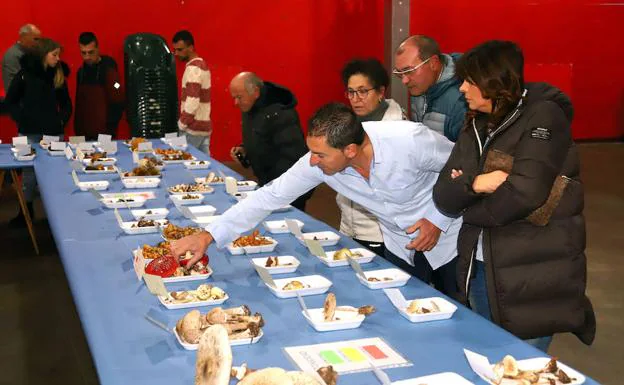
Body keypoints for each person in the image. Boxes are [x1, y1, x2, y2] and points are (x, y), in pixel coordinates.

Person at [172, 103, 462, 300]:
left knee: (464, 311)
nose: (312, 161)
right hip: (401, 244)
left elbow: (463, 168)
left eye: (320, 154)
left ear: (350, 150)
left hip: (451, 240)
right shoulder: (320, 162)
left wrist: (438, 219)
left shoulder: (409, 140)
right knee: (414, 309)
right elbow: (270, 195)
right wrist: (209, 235)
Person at [432, 40, 595, 352]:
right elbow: (444, 194)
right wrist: (478, 184)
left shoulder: (543, 117)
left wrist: (470, 205)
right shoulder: (476, 124)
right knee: (486, 356)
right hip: (480, 266)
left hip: (532, 273)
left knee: (519, 366)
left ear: (494, 82)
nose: (463, 89)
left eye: (469, 81)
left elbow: (526, 193)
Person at [338, 58, 405, 256]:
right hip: (348, 225)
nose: (356, 98)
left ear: (381, 92)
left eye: (363, 91)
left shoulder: (397, 129)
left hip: (381, 233)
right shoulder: (346, 124)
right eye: (351, 92)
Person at [5, 38, 72, 226]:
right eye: (54, 54)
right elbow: (11, 101)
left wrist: (60, 120)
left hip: (53, 132)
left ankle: (57, 213)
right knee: (27, 173)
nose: (58, 59)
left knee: (56, 171)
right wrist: (22, 118)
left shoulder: (57, 75)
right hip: (27, 133)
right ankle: (25, 211)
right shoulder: (24, 75)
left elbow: (66, 104)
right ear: (43, 55)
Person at [228, 72, 313, 211]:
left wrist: (275, 192)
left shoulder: (280, 113)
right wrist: (245, 150)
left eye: (239, 97)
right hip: (269, 186)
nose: (235, 103)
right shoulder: (250, 107)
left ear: (255, 92)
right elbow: (262, 139)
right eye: (234, 97)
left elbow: (292, 156)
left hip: (286, 190)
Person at [393, 35, 466, 142]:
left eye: (409, 71)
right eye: (400, 73)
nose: (404, 81)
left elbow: (466, 155)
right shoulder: (421, 85)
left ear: (433, 63)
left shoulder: (462, 99)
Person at [74, 32, 124, 140]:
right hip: (84, 134)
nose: (87, 57)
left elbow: (118, 95)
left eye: (91, 52)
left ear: (98, 49)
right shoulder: (81, 72)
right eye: (83, 53)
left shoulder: (109, 70)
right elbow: (79, 105)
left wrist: (111, 126)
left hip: (106, 132)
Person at [172, 30, 212, 155]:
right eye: (175, 50)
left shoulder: (193, 69)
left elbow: (192, 100)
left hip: (192, 129)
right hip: (203, 127)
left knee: (184, 167)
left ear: (191, 47)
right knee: (204, 167)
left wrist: (182, 123)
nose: (176, 53)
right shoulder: (202, 65)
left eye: (180, 49)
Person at [2, 24, 41, 92]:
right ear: (24, 37)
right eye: (35, 39)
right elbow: (13, 87)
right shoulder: (13, 55)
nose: (38, 43)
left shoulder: (30, 52)